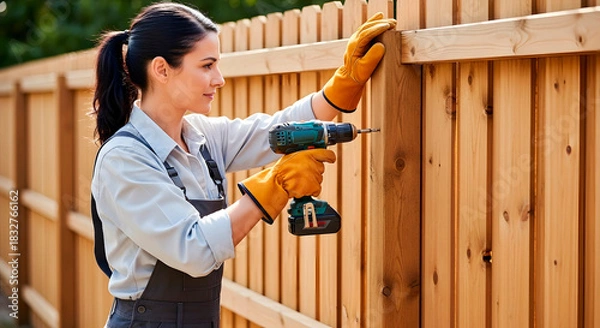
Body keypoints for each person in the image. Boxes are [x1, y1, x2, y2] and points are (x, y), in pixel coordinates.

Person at [90, 2, 395, 327]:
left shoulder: (202, 138)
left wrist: (341, 87)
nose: (219, 78)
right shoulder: (124, 158)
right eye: (206, 66)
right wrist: (272, 186)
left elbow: (277, 132)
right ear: (162, 69)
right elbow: (193, 250)